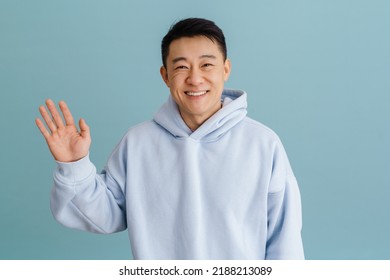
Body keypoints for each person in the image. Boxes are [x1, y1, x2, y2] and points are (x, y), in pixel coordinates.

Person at [36, 18, 304, 259]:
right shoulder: (138, 143)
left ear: (225, 69)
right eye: (181, 67)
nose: (195, 79)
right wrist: (75, 165)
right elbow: (104, 215)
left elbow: (285, 241)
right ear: (165, 76)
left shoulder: (262, 144)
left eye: (207, 65)